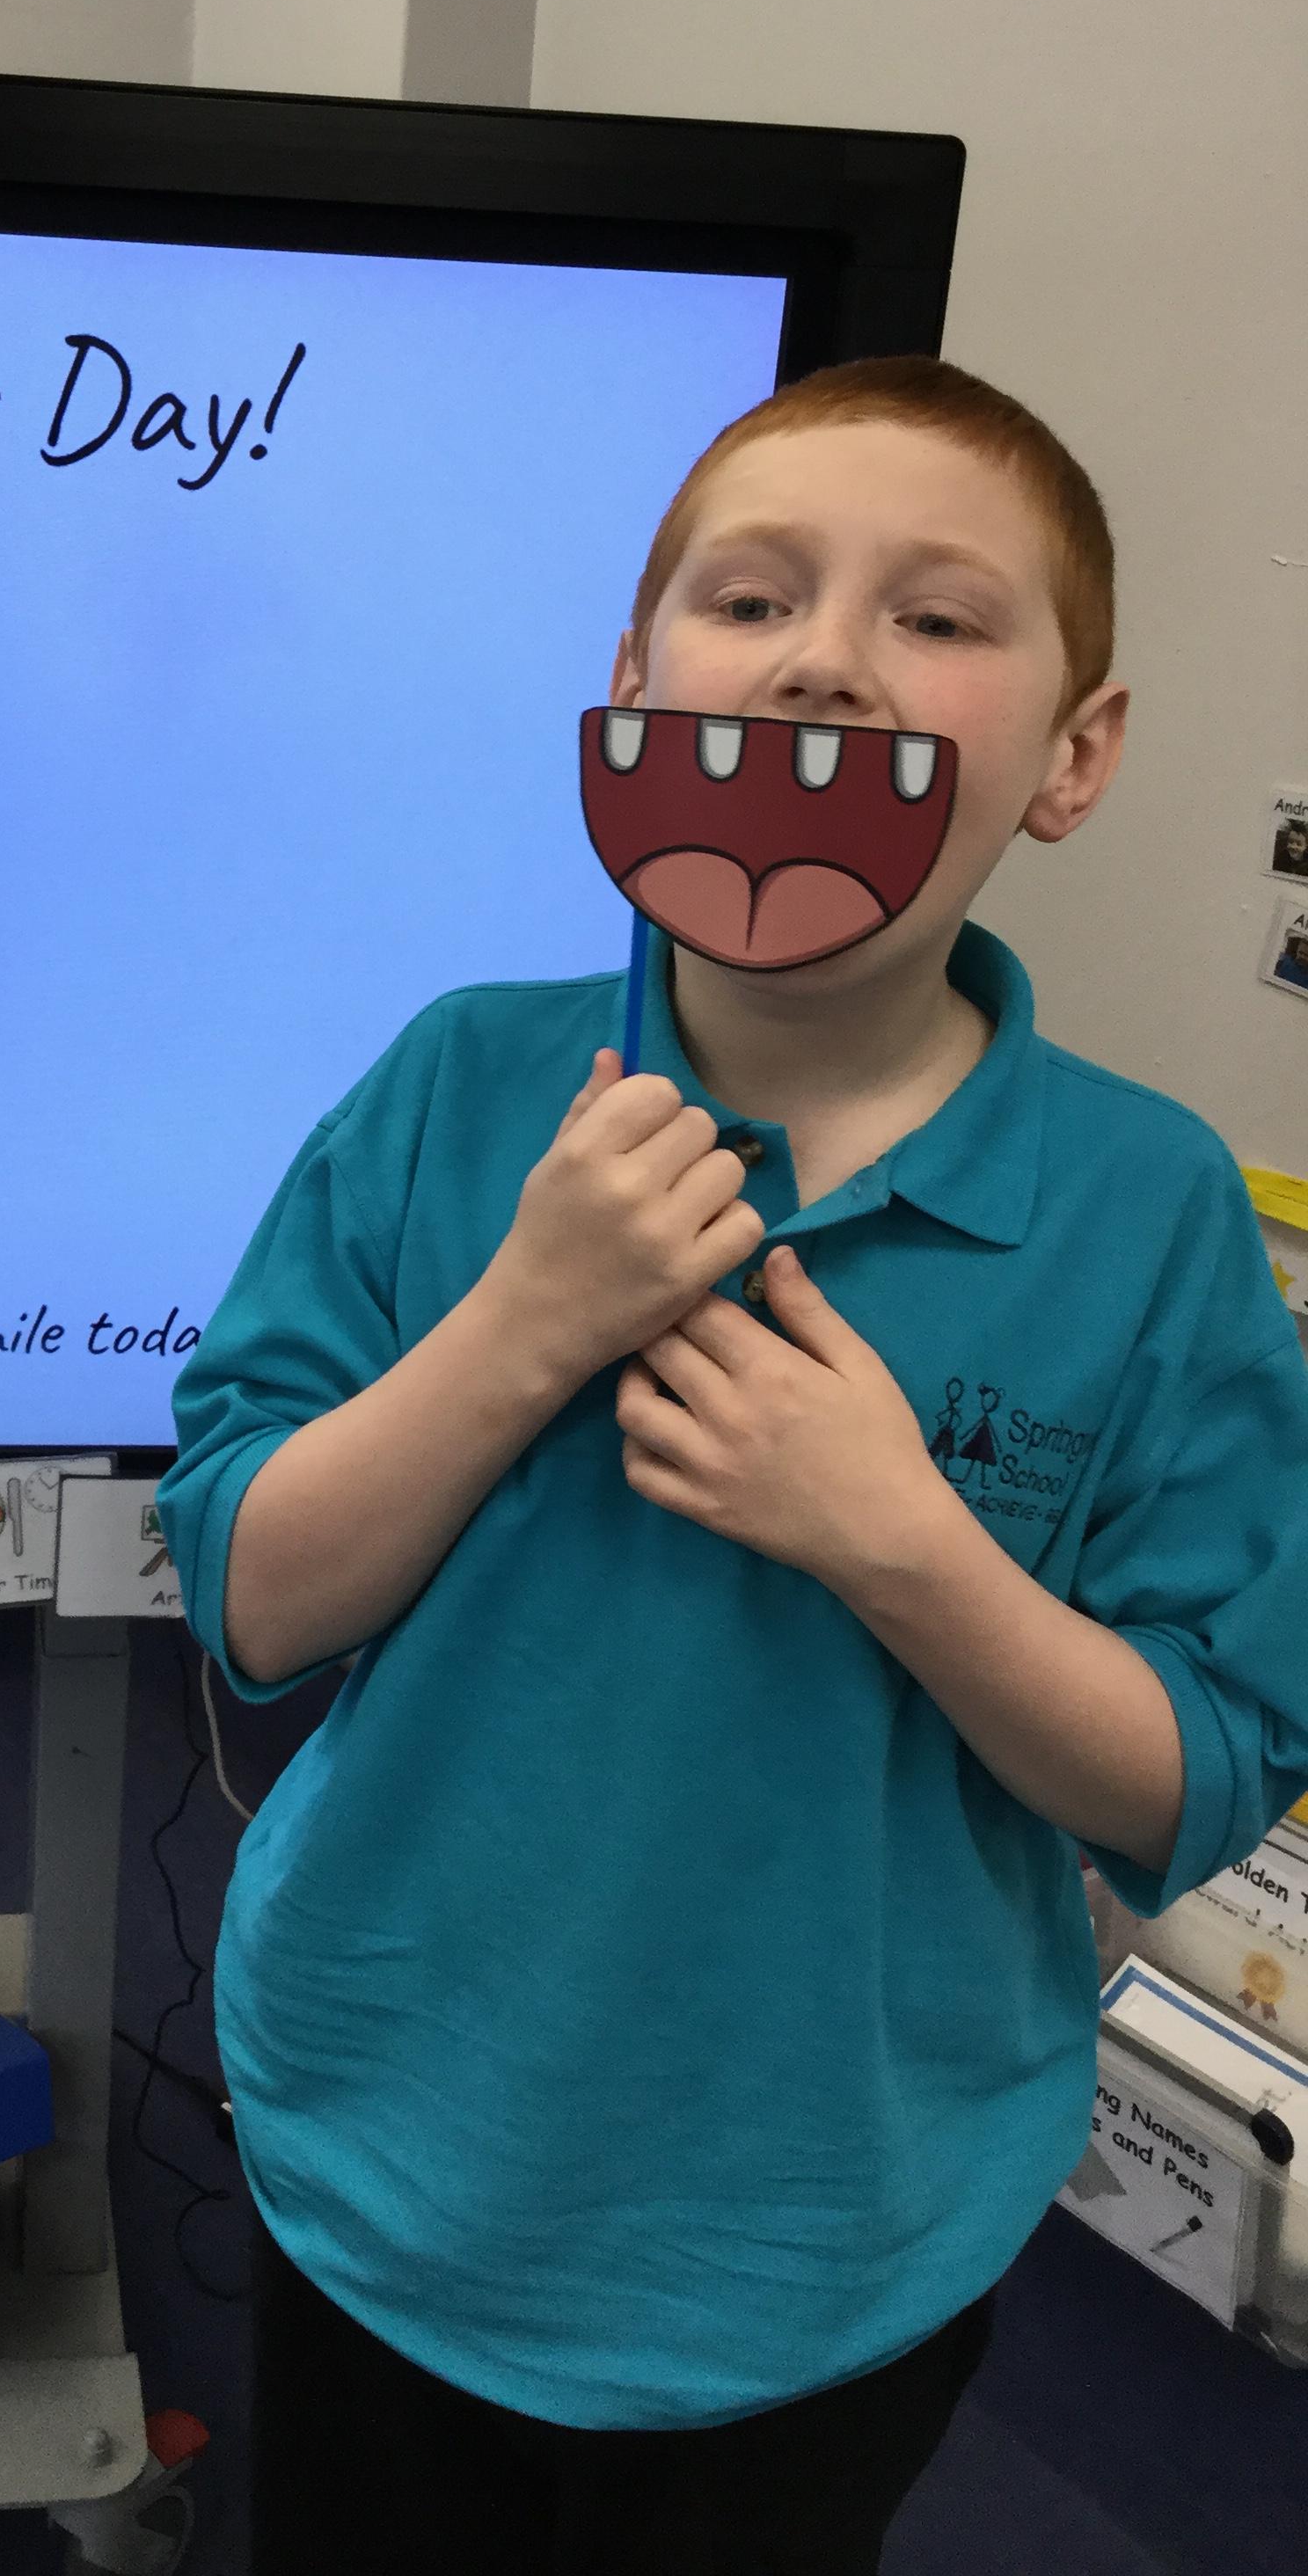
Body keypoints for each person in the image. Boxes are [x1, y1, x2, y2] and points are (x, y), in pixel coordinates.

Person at [156, 357, 1308, 2576]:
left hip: (827, 2227)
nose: (822, 662)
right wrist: (525, 1320)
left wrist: (902, 1545)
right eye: (752, 598)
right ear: (634, 682)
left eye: (937, 620)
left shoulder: (1150, 1211)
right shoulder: (454, 1087)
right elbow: (255, 1598)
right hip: (390, 2135)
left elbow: (1199, 1782)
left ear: (1074, 757)